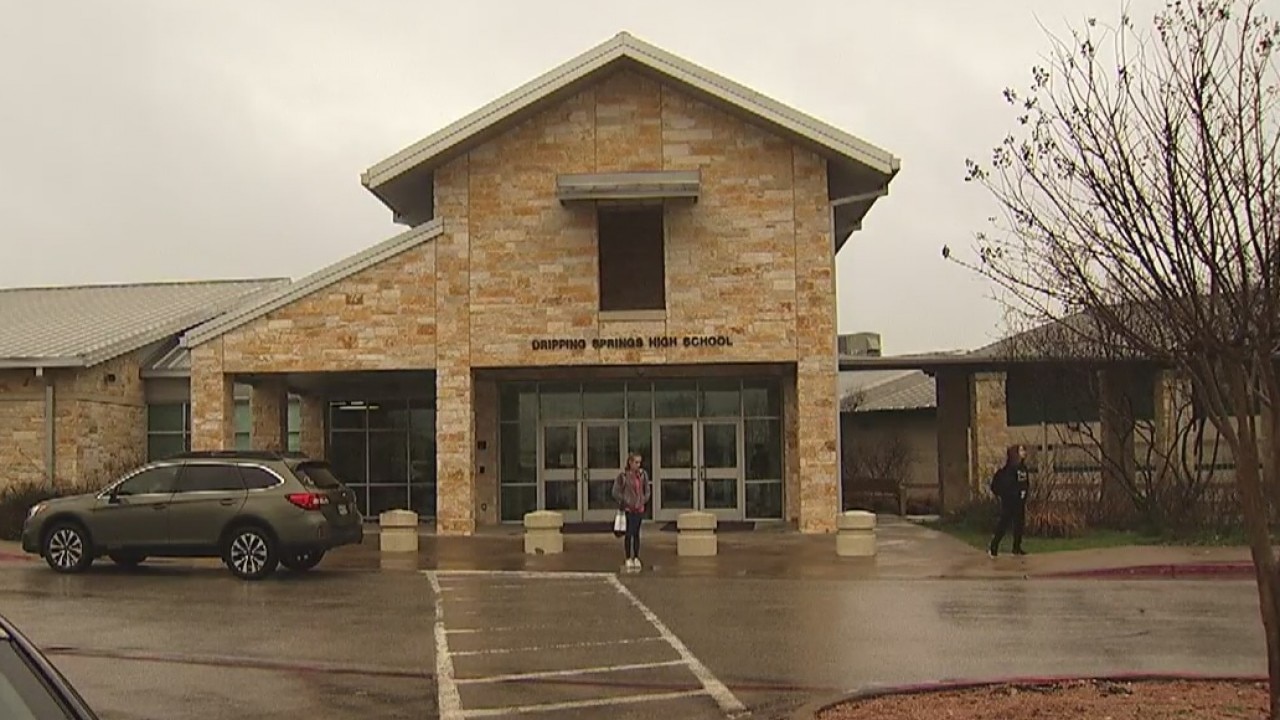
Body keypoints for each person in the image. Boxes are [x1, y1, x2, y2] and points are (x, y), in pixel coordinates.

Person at [988, 444, 1030, 557]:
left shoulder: (1023, 469)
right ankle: (994, 546)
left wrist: (1024, 494)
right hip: (1009, 502)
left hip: (1020, 502)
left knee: (1019, 525)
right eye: (1021, 450)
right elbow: (1008, 485)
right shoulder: (1009, 469)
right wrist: (1013, 494)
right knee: (1003, 524)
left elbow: (1025, 483)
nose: (1024, 453)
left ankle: (1016, 547)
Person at [612, 452, 651, 571]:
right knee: (628, 534)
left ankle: (637, 557)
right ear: (630, 462)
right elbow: (615, 492)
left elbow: (647, 490)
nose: (638, 465)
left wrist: (643, 500)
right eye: (636, 462)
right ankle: (628, 557)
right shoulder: (623, 476)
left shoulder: (643, 475)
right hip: (628, 509)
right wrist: (625, 501)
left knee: (637, 534)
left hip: (639, 508)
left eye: (640, 462)